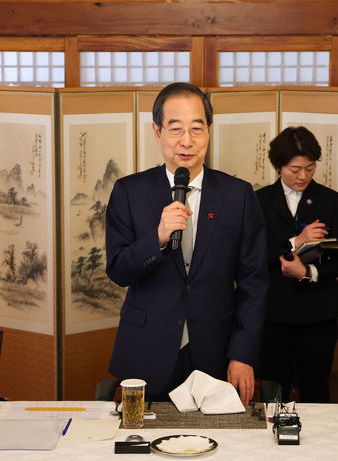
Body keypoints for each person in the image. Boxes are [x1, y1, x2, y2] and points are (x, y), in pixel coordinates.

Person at [105, 82, 268, 405]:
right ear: (157, 131)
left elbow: (255, 282)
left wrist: (242, 354)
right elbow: (119, 270)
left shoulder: (237, 195)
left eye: (197, 128)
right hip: (146, 350)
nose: (187, 141)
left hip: (217, 350)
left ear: (209, 131)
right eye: (176, 129)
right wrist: (157, 238)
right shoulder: (129, 192)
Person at [255, 126, 338, 402]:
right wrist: (295, 241)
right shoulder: (259, 201)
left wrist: (308, 272)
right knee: (274, 391)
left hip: (318, 312)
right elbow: (252, 255)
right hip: (273, 312)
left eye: (310, 168)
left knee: (316, 388)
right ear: (278, 166)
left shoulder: (331, 201)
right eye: (295, 169)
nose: (303, 176)